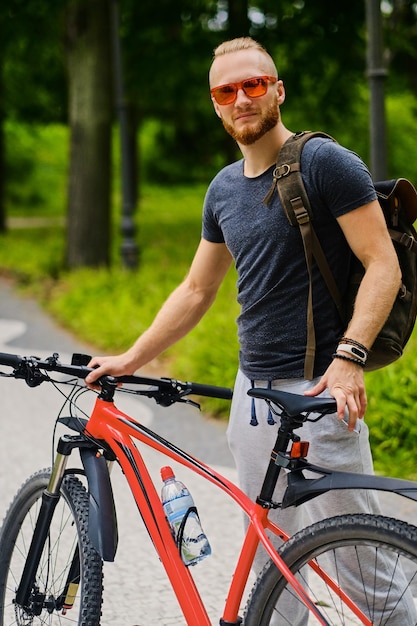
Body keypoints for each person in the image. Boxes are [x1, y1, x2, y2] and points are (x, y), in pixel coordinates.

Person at [86, 37, 416, 622]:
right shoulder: (223, 189)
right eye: (226, 90)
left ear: (277, 90)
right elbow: (196, 290)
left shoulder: (325, 164)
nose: (241, 98)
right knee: (271, 564)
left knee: (370, 578)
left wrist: (350, 358)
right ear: (215, 103)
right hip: (253, 395)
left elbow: (382, 265)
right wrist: (130, 358)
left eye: (253, 85)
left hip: (318, 392)